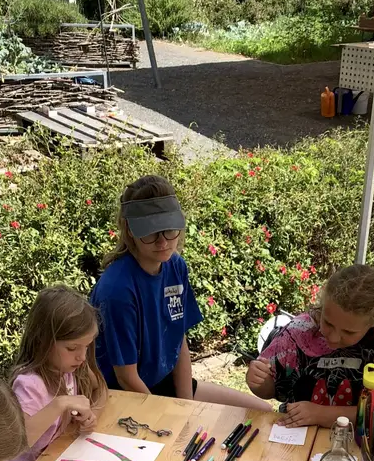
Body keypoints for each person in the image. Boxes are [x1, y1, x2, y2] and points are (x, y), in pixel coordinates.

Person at [91, 175, 271, 411]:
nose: (163, 241)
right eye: (151, 232)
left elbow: (178, 338)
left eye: (170, 229)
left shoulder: (175, 266)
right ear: (130, 230)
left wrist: (185, 405)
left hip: (164, 384)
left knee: (262, 410)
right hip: (122, 397)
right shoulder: (117, 290)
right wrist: (173, 416)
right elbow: (126, 377)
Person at [246, 265, 374, 428]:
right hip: (295, 440)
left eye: (348, 332)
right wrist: (258, 382)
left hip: (358, 445)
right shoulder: (298, 332)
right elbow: (270, 391)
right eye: (327, 322)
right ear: (323, 304)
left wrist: (322, 415)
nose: (333, 337)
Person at [8, 285, 108, 461]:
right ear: (42, 341)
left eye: (86, 347)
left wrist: (91, 416)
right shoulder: (29, 384)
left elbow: (101, 388)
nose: (81, 356)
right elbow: (20, 442)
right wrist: (60, 403)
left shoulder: (71, 367)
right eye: (72, 348)